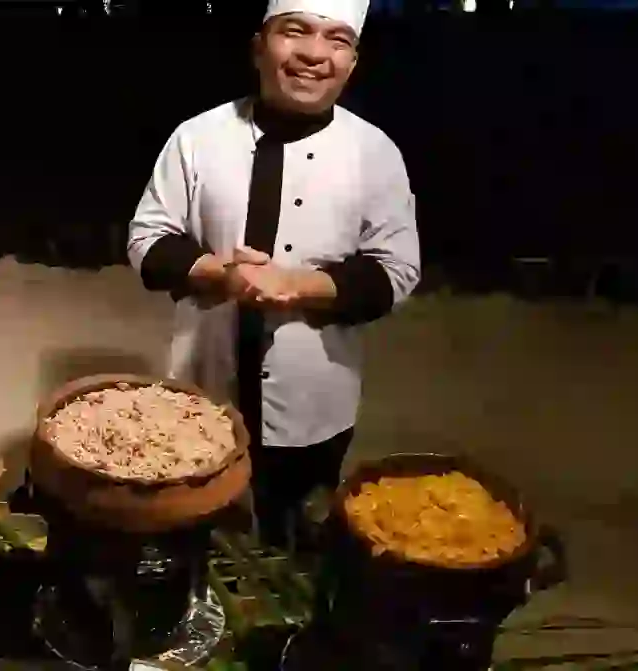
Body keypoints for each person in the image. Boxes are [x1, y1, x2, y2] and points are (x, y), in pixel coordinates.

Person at [126, 0, 421, 551]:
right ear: (260, 46)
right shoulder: (197, 137)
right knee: (192, 533)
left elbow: (396, 270)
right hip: (201, 387)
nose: (314, 54)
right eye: (296, 32)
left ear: (353, 62)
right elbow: (146, 241)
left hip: (315, 400)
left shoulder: (375, 153)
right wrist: (218, 273)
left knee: (296, 546)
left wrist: (297, 284)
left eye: (337, 40)